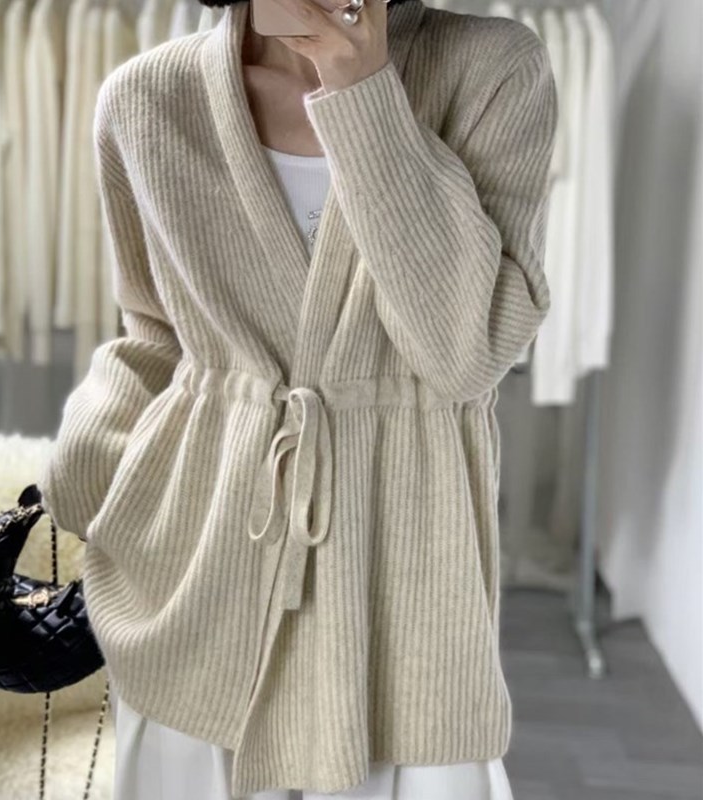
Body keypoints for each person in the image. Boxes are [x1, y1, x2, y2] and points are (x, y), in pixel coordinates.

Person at [39, 0, 559, 797]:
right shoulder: (147, 98)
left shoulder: (493, 71)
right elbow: (156, 330)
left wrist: (363, 89)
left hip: (404, 587)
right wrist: (90, 463)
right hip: (201, 566)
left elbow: (465, 353)